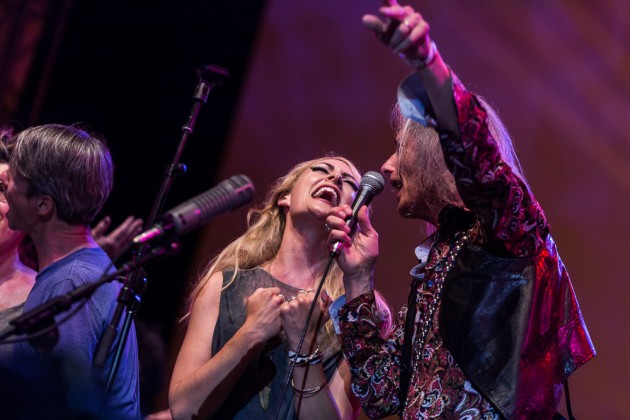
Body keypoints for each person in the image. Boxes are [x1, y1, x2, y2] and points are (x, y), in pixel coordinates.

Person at [326, 2, 596, 419]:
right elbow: (383, 397)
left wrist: (429, 67)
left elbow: (483, 165)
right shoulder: (438, 261)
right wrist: (358, 280)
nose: (386, 166)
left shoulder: (508, 232)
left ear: (437, 152)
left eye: (399, 148)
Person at [169, 156, 391, 419]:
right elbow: (182, 410)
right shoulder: (224, 284)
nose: (334, 179)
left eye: (351, 183)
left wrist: (303, 348)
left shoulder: (359, 311)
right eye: (321, 169)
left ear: (355, 213)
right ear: (284, 197)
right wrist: (250, 334)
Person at [0, 124, 140, 418]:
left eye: (12, 179)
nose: (5, 182)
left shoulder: (71, 281)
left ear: (42, 204)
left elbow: (54, 406)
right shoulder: (76, 271)